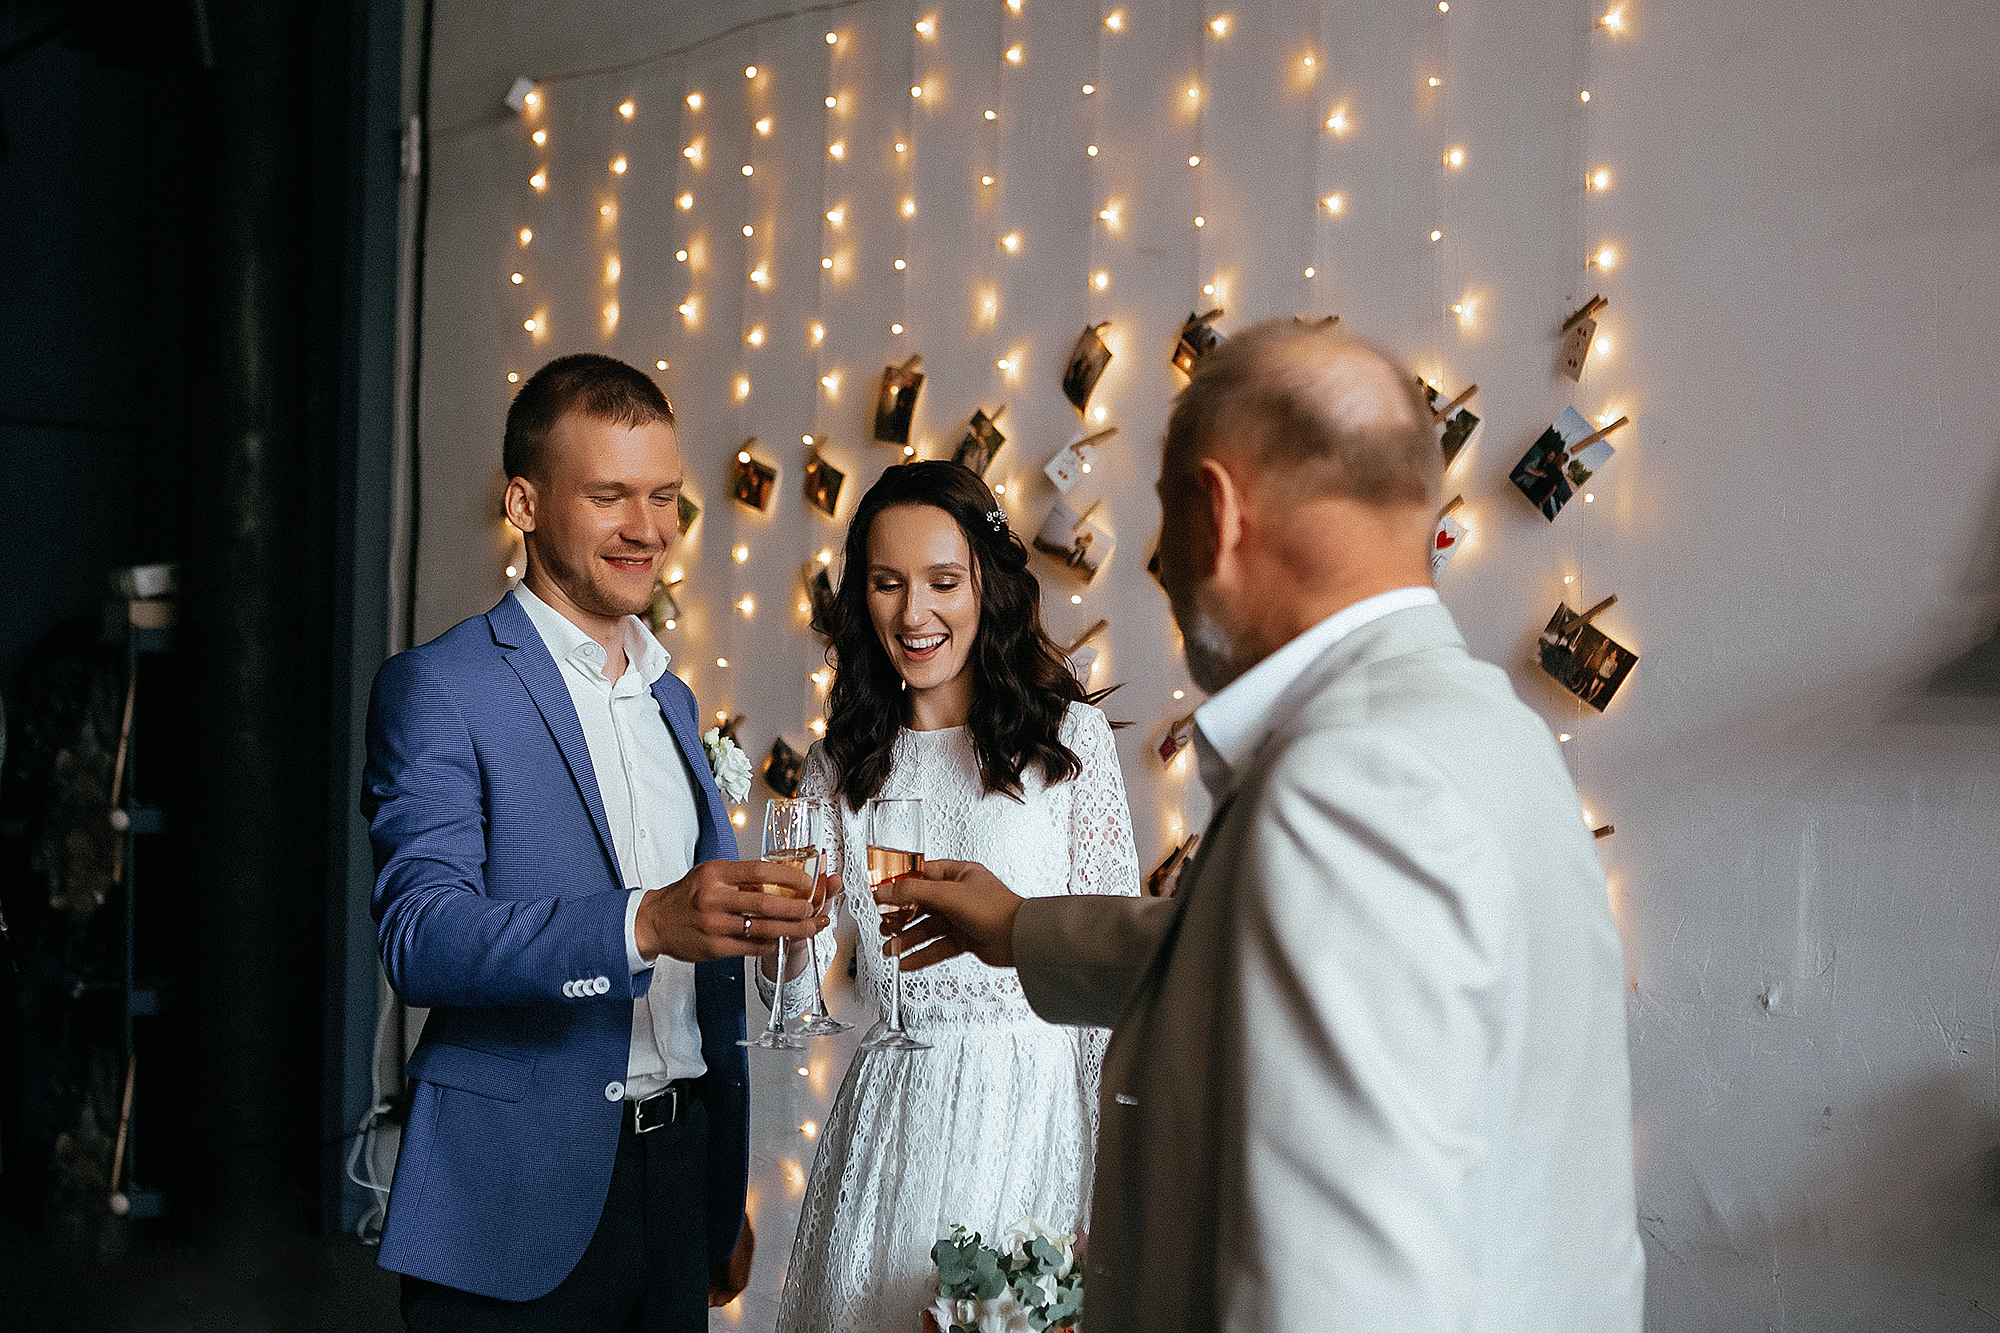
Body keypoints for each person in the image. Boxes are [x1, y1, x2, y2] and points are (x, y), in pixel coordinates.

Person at [881, 322, 1645, 1331]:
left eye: (1161, 520)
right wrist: (1019, 929)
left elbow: (1335, 1289)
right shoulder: (1485, 727)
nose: (1157, 566)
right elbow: (1244, 945)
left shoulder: (1348, 783)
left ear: (1216, 510)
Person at [362, 353, 829, 1332]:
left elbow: (696, 974)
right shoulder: (440, 686)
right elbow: (421, 935)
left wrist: (711, 1188)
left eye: (662, 495)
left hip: (678, 1180)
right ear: (525, 503)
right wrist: (645, 922)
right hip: (512, 1198)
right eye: (610, 495)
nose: (648, 529)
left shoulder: (672, 695)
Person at [773, 461, 1141, 1333]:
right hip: (894, 1121)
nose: (914, 614)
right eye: (887, 584)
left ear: (989, 584)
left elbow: (1111, 976)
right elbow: (796, 996)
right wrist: (786, 942)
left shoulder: (1068, 741)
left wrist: (1106, 1181)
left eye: (943, 582)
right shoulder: (840, 766)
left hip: (1037, 1114)